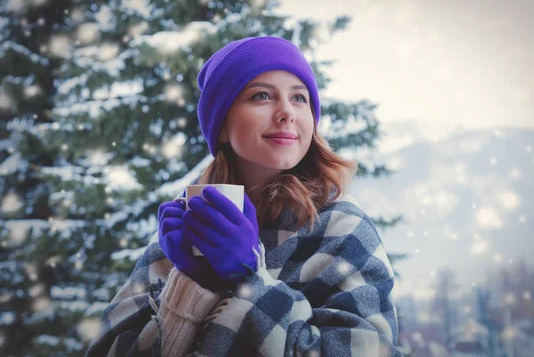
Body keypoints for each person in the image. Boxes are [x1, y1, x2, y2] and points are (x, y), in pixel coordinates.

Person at [86, 36, 402, 356]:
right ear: (222, 126)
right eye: (262, 96)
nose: (286, 113)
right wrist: (189, 286)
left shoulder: (342, 227)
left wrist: (250, 282)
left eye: (299, 98)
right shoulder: (187, 223)